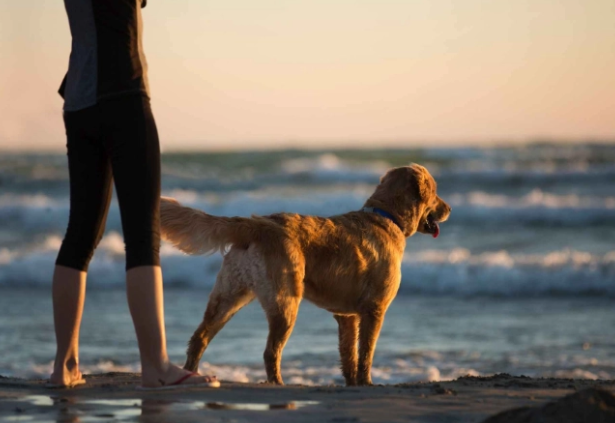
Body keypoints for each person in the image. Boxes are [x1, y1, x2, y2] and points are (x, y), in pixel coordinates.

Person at [49, 0, 218, 389]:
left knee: (80, 235)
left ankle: (65, 365)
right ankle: (156, 366)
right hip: (123, 93)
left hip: (79, 100)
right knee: (142, 236)